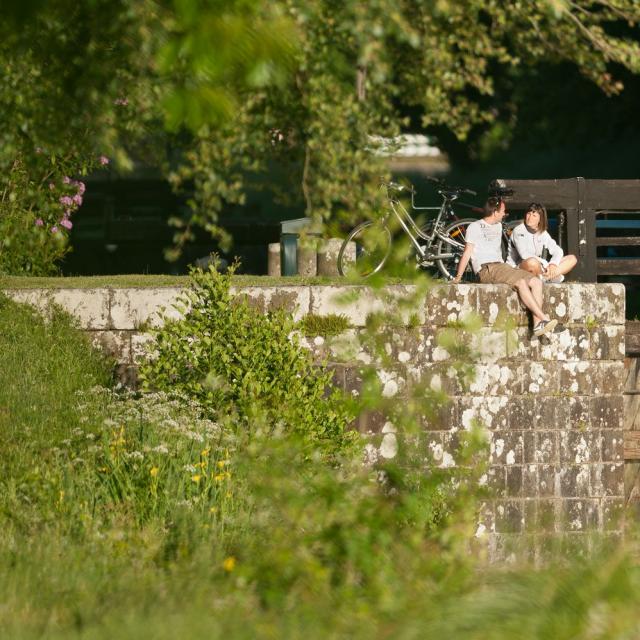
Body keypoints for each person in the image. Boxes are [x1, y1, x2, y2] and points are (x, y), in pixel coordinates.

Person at [452, 196, 557, 338]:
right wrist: (458, 277)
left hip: (502, 267)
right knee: (522, 282)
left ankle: (538, 325)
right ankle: (543, 318)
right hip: (487, 268)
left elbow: (522, 228)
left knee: (535, 282)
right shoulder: (474, 227)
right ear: (495, 212)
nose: (504, 213)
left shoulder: (498, 226)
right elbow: (467, 253)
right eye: (502, 211)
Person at [507, 202, 577, 283]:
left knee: (572, 258)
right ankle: (549, 278)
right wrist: (545, 263)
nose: (530, 218)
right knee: (532, 262)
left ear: (540, 219)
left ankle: (546, 277)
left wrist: (553, 264)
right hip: (517, 267)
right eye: (528, 214)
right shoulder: (519, 230)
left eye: (534, 216)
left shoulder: (542, 233)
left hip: (539, 268)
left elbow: (557, 250)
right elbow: (524, 254)